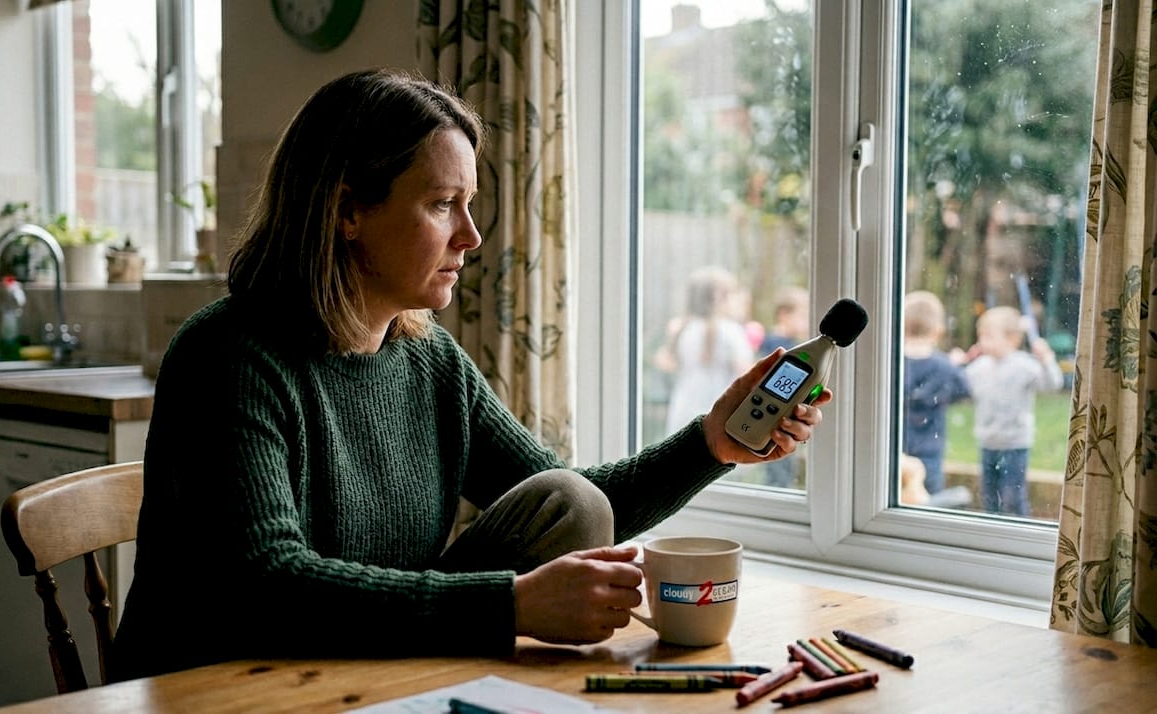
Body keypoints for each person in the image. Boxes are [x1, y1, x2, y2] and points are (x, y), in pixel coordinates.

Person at [110, 68, 829, 681]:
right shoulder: (230, 356)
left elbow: (574, 505)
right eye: (441, 204)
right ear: (348, 210)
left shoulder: (429, 360)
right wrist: (512, 606)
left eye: (469, 204)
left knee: (570, 504)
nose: (471, 236)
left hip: (362, 673)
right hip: (218, 682)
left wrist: (710, 443)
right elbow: (267, 586)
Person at [962, 305, 1061, 516]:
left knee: (1013, 497)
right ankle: (992, 533)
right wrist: (961, 362)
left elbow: (1052, 385)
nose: (982, 341)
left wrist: (1047, 360)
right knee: (989, 496)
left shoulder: (1024, 366)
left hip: (1015, 444)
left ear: (1013, 339)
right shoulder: (979, 367)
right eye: (981, 336)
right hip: (987, 442)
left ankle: (1019, 530)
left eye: (988, 336)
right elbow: (960, 386)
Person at [654, 266, 755, 437]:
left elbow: (665, 362)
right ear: (719, 298)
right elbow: (747, 373)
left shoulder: (680, 328)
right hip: (720, 412)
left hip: (683, 410)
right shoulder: (731, 331)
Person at [901, 290, 970, 497]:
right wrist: (956, 366)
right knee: (928, 501)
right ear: (937, 331)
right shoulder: (943, 366)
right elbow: (964, 390)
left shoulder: (892, 362)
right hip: (930, 449)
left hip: (896, 449)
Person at [758, 287, 809, 488]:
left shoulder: (791, 344)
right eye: (803, 314)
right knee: (778, 474)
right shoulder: (775, 346)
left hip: (783, 420)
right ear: (784, 315)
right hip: (772, 421)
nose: (807, 320)